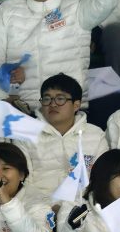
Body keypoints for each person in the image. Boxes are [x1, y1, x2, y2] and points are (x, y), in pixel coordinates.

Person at [19, 74, 108, 202]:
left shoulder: (95, 135)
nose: (52, 104)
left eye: (60, 99)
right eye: (47, 99)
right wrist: (45, 210)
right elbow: (23, 183)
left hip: (83, 207)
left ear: (76, 105)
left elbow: (102, 179)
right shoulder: (25, 135)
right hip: (38, 208)